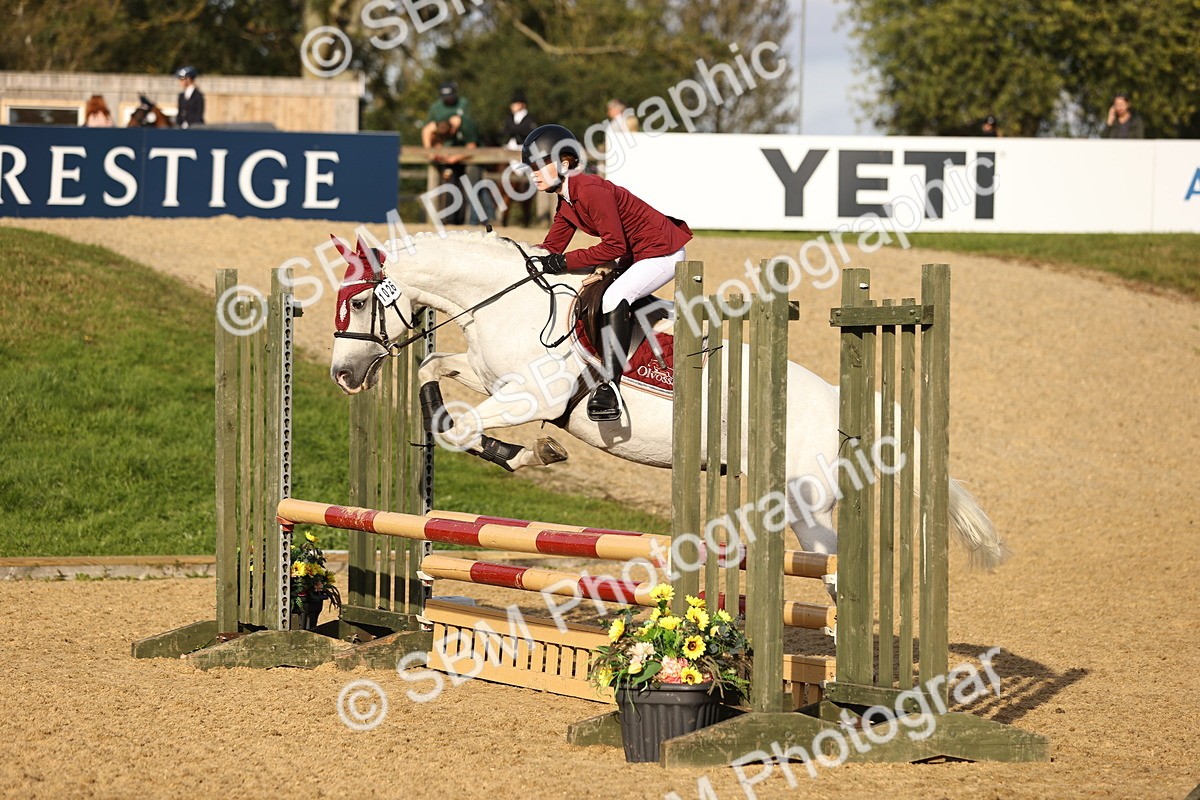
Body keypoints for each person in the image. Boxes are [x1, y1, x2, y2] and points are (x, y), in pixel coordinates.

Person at [523, 124, 691, 422]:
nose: (533, 173)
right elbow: (550, 249)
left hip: (662, 252)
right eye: (530, 168)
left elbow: (613, 245)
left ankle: (610, 386)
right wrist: (513, 253)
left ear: (565, 162)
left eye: (538, 165)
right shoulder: (567, 200)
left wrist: (564, 263)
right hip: (636, 255)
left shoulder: (589, 190)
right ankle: (665, 314)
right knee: (596, 287)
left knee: (614, 296)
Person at [500, 90, 538, 226]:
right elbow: (505, 132)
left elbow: (530, 132)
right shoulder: (509, 118)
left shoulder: (530, 118)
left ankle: (526, 216)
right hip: (511, 148)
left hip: (525, 149)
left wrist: (516, 132)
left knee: (528, 178)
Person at [421, 81, 471, 148]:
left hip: (460, 139)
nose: (448, 99)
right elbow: (427, 128)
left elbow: (470, 124)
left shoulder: (464, 103)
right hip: (441, 141)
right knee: (429, 128)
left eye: (450, 97)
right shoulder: (435, 107)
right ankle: (430, 153)